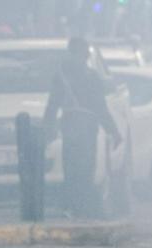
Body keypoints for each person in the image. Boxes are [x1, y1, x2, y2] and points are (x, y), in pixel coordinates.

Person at [43, 36, 123, 218]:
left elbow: (53, 105)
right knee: (81, 168)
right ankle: (84, 207)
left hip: (77, 128)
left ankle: (76, 206)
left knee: (77, 168)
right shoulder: (85, 77)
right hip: (83, 129)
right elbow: (99, 108)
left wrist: (113, 130)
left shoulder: (63, 76)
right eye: (82, 54)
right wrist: (114, 131)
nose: (83, 58)